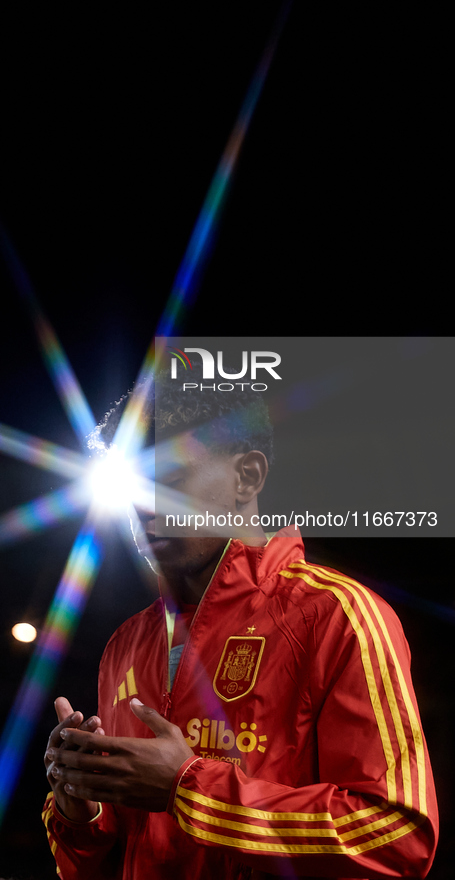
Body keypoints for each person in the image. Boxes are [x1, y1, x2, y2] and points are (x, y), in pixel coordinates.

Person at [42, 366, 438, 879]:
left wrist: (189, 787)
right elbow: (103, 862)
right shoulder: (127, 643)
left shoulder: (337, 614)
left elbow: (397, 837)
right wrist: (80, 806)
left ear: (247, 476)